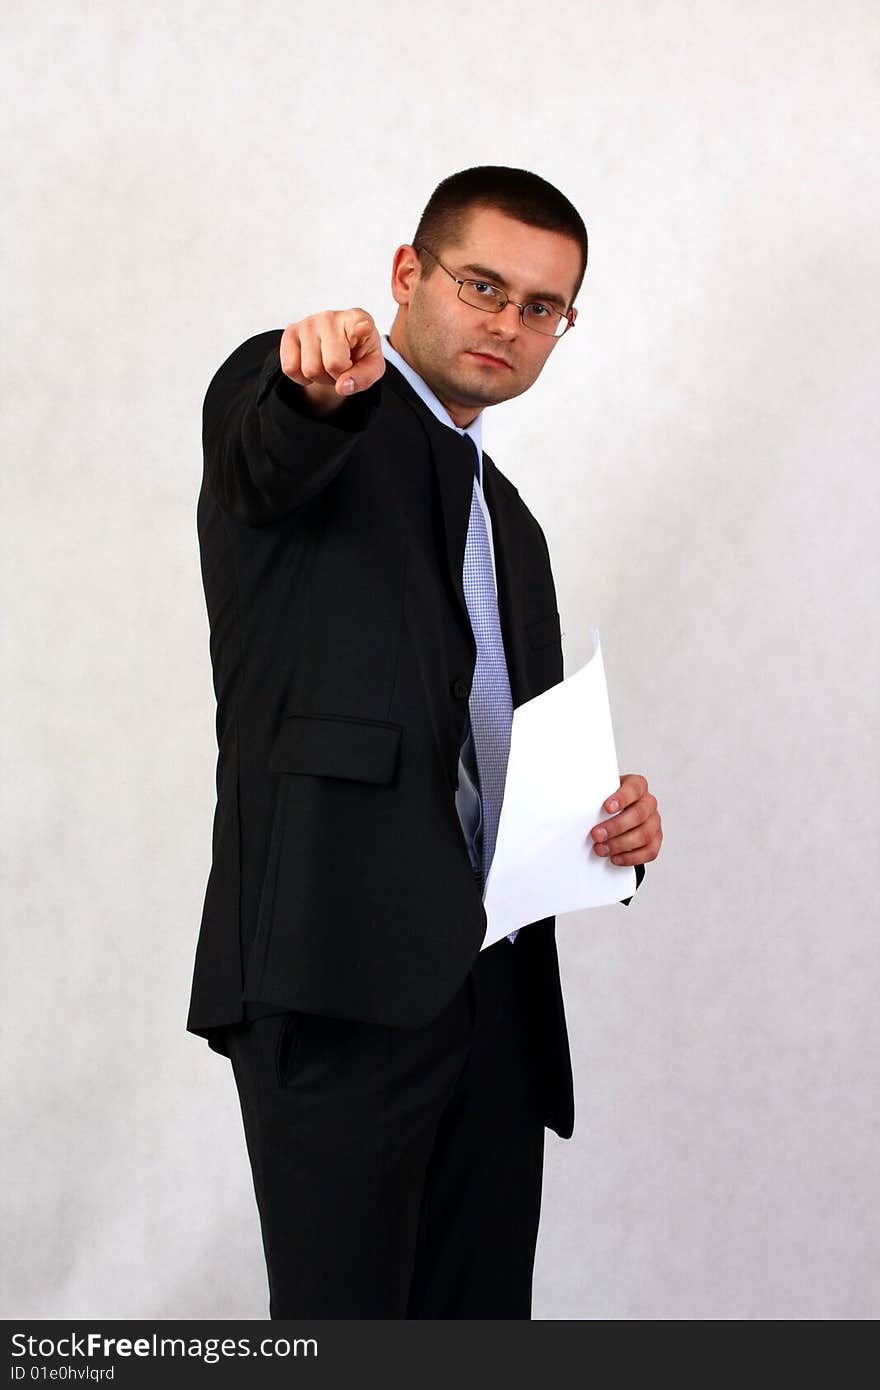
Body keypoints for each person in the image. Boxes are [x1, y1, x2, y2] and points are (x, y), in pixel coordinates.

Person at [186, 165, 663, 1319]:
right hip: (335, 973)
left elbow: (500, 745)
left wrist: (609, 823)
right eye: (483, 285)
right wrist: (313, 387)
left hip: (495, 997)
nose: (508, 323)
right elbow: (269, 452)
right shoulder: (311, 402)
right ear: (409, 274)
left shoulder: (514, 524)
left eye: (542, 306)